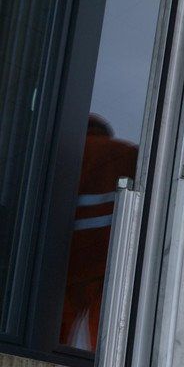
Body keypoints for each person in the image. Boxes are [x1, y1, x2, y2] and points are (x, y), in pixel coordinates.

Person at [61, 114, 138, 351]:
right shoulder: (127, 154)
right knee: (106, 342)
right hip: (110, 262)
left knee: (49, 337)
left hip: (62, 266)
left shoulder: (63, 152)